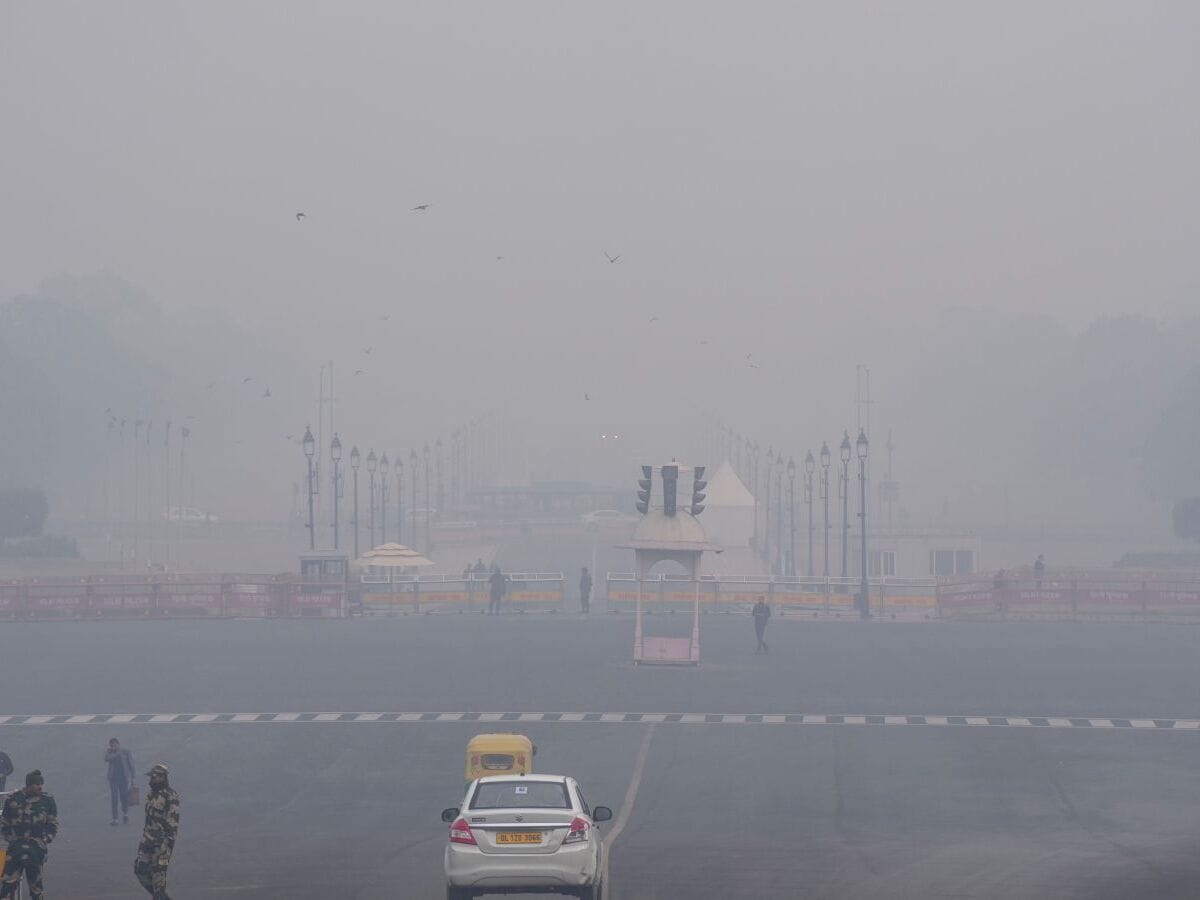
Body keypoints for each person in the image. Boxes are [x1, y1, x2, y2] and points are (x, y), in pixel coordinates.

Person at [1, 769, 58, 900]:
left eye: (41, 784)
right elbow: (5, 822)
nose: (40, 787)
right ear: (29, 785)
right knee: (7, 887)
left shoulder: (47, 801)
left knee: (36, 889)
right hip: (16, 850)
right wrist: (12, 840)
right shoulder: (13, 799)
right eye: (37, 784)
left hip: (36, 850)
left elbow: (52, 824)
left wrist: (44, 840)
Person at [135, 764, 180, 900]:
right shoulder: (151, 795)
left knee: (158, 875)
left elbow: (173, 822)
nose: (151, 780)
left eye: (154, 777)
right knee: (140, 870)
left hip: (162, 843)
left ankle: (159, 896)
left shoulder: (170, 795)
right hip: (147, 839)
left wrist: (167, 843)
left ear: (162, 777)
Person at [105, 737, 135, 825]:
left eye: (114, 745)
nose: (113, 747)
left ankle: (125, 813)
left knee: (124, 797)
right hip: (113, 779)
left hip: (123, 779)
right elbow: (107, 758)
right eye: (111, 745)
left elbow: (131, 765)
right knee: (114, 798)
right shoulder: (109, 752)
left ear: (118, 744)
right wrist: (115, 752)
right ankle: (115, 819)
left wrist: (133, 778)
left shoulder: (126, 751)